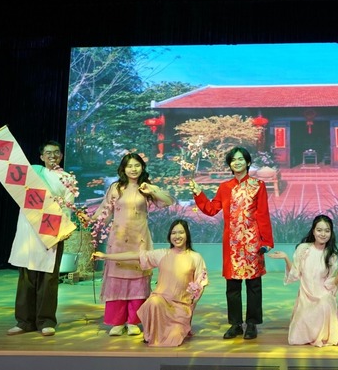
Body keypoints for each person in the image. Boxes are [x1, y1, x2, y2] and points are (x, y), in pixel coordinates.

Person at [189, 146, 274, 340]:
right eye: (233, 160)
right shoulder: (225, 187)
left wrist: (267, 241)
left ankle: (252, 324)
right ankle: (235, 324)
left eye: (240, 159)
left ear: (248, 162)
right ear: (230, 164)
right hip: (232, 243)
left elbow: (262, 214)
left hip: (253, 242)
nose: (237, 162)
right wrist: (199, 193)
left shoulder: (258, 185)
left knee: (254, 285)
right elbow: (211, 209)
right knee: (233, 286)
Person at [91, 153, 175, 336]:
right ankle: (117, 321)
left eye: (137, 165)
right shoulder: (116, 188)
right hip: (118, 239)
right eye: (129, 166)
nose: (133, 169)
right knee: (117, 278)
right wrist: (91, 221)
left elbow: (168, 201)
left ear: (142, 167)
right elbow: (105, 211)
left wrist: (151, 190)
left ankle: (133, 321)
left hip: (139, 239)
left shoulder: (146, 188)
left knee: (138, 279)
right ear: (123, 169)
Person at [93, 219, 208, 347]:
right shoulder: (162, 254)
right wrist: (106, 256)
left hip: (181, 306)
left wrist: (192, 304)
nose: (177, 236)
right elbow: (134, 255)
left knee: (175, 337)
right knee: (153, 302)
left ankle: (176, 327)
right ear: (169, 236)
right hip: (161, 302)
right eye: (173, 233)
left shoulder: (195, 257)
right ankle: (151, 333)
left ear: (187, 235)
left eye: (181, 232)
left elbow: (201, 283)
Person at [7, 140, 75, 336]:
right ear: (41, 157)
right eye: (48, 153)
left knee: (48, 278)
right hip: (28, 230)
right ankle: (24, 322)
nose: (52, 156)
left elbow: (68, 206)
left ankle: (46, 320)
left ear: (61, 156)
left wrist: (64, 228)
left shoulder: (67, 178)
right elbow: (9, 167)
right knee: (26, 277)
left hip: (51, 229)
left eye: (56, 152)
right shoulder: (33, 171)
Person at [268, 214, 338, 347]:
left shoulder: (331, 255)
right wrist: (286, 258)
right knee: (296, 339)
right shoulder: (304, 249)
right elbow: (295, 274)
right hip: (306, 296)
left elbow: (330, 283)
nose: (323, 234)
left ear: (331, 233)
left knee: (325, 302)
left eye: (327, 231)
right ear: (313, 231)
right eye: (319, 230)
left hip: (323, 295)